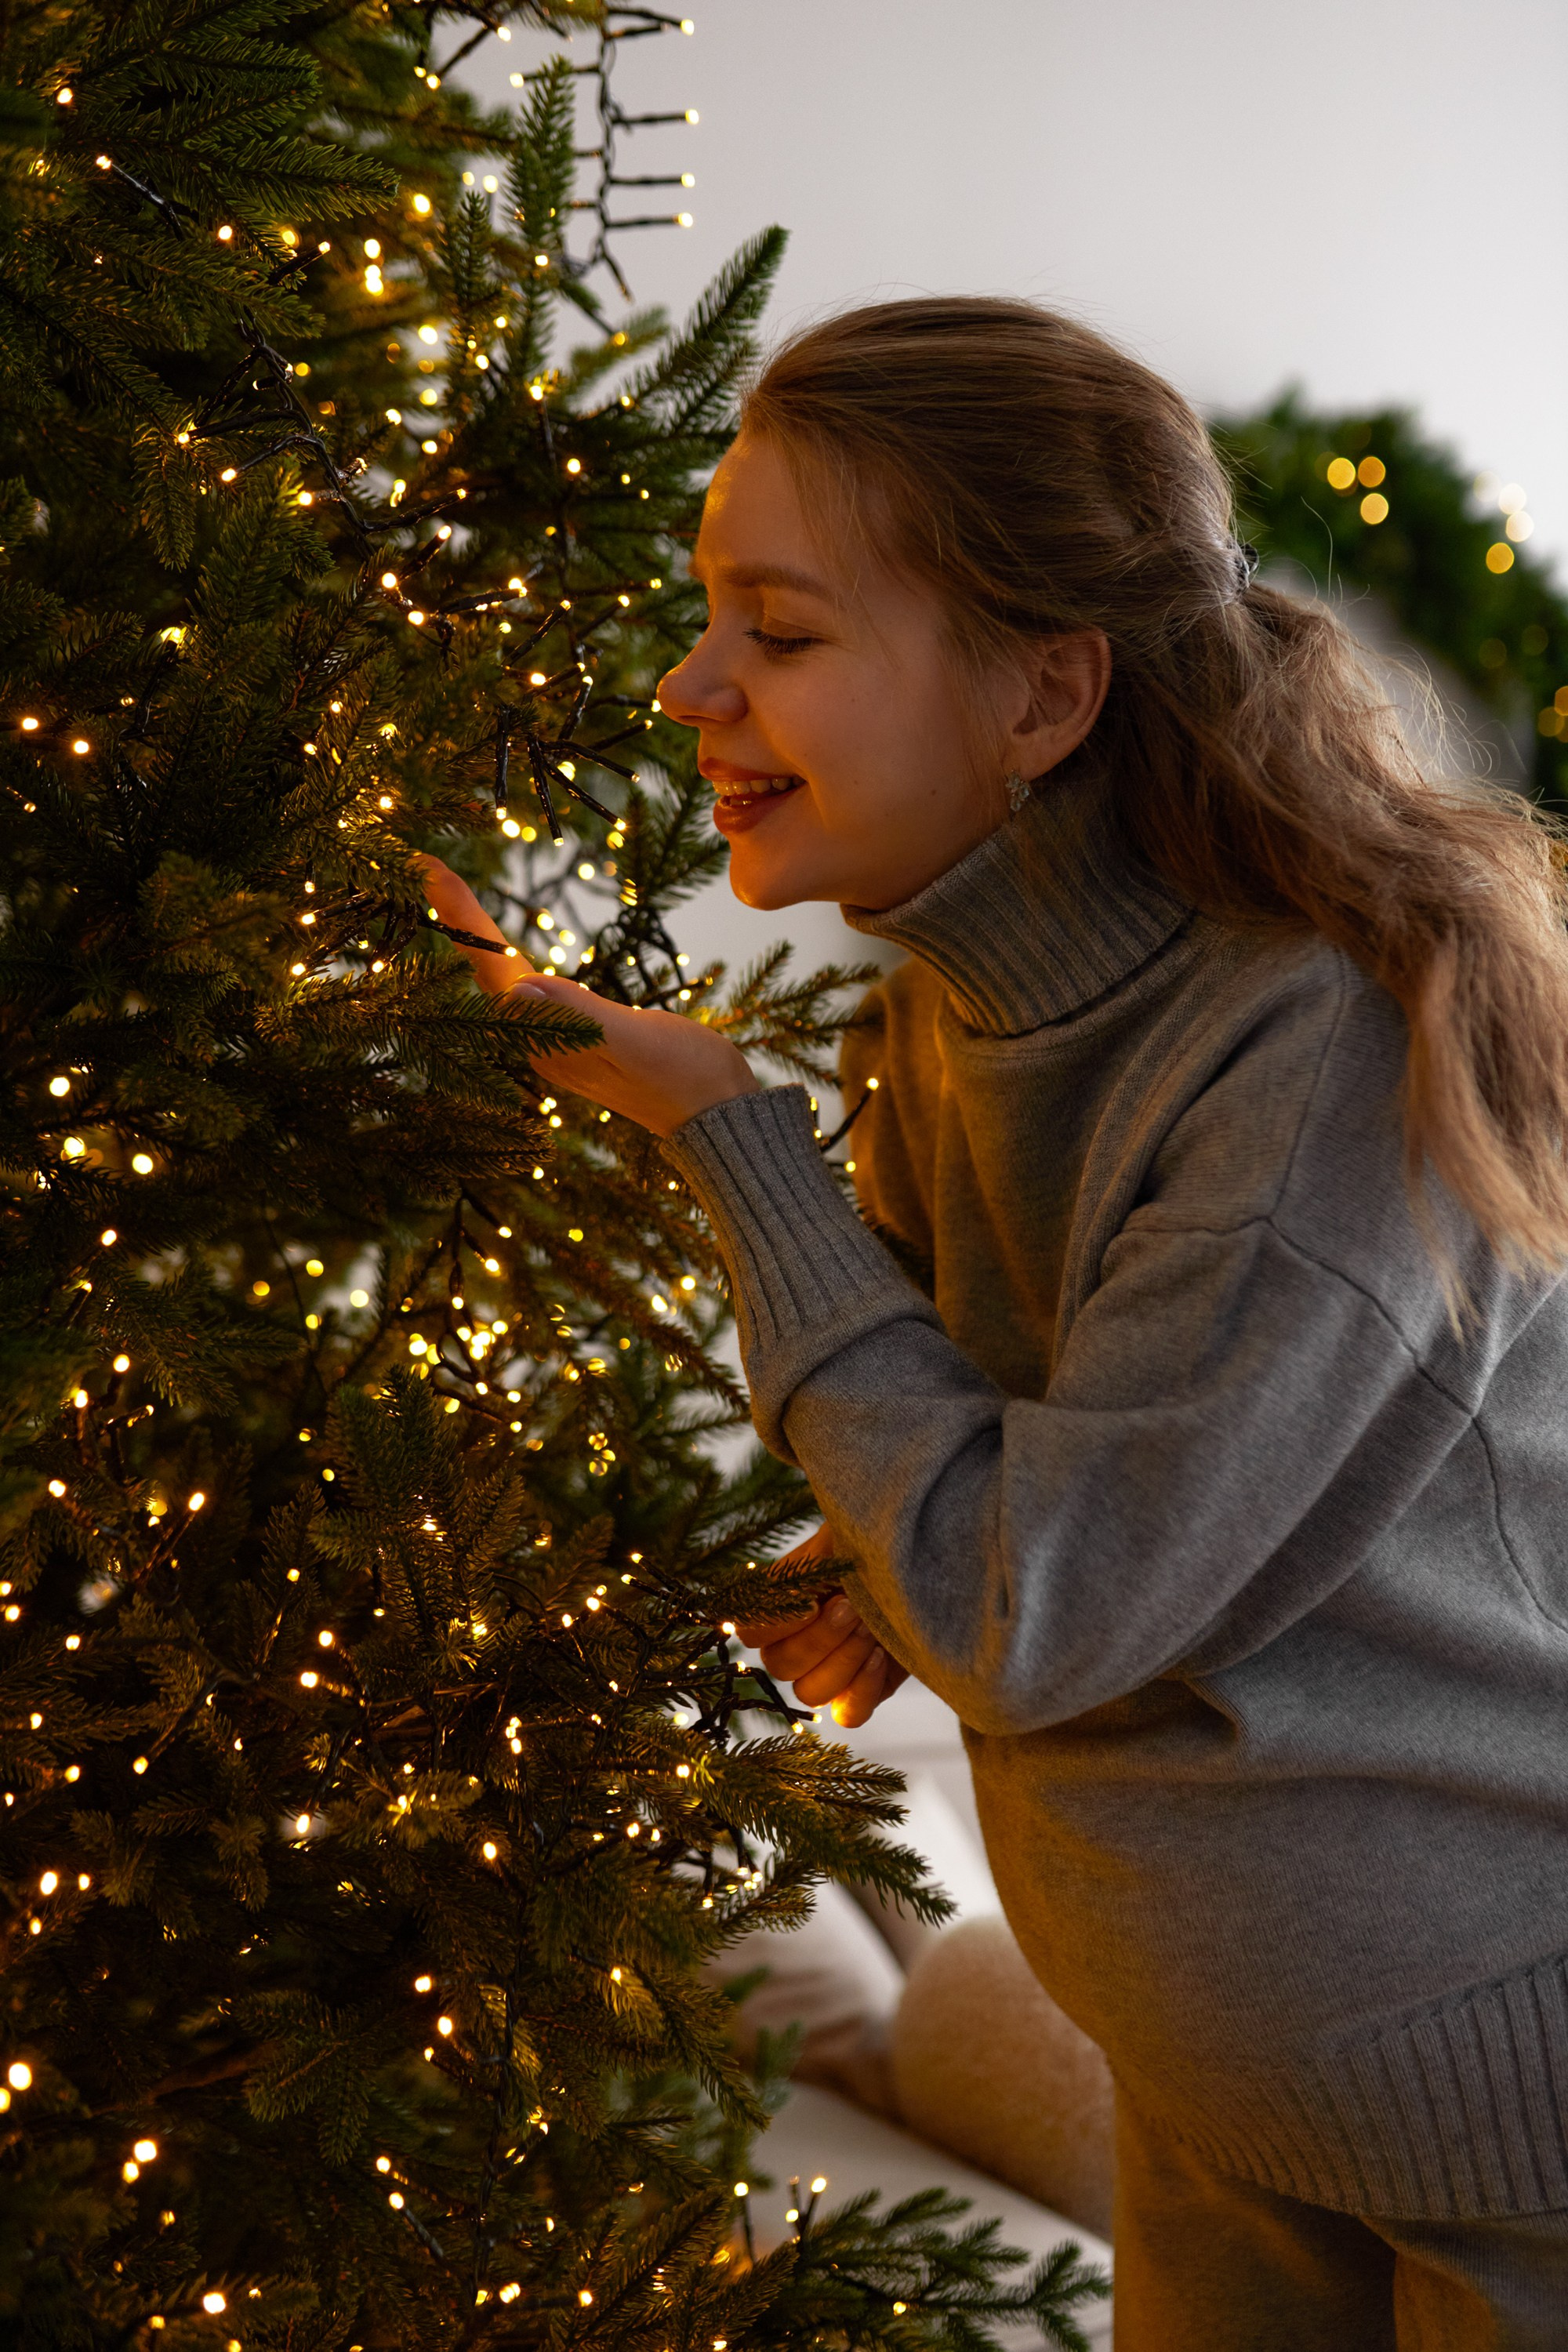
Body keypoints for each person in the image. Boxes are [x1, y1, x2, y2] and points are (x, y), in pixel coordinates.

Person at [419, 298, 1568, 2348]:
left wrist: (730, 1138)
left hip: (1518, 2147)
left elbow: (1037, 1606)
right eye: (712, 618)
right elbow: (1038, 1468)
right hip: (1230, 2105)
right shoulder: (942, 1027)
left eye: (778, 630)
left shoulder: (1313, 1054)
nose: (692, 688)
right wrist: (857, 1570)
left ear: (1043, 695)